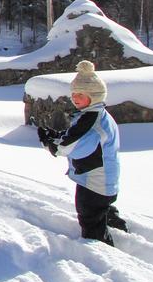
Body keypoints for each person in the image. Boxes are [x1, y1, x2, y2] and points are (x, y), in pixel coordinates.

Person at [38, 60, 128, 246]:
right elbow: (76, 138)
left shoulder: (91, 122)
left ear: (94, 96)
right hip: (105, 178)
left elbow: (68, 147)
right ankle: (120, 231)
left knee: (90, 216)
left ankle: (102, 249)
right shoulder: (97, 114)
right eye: (73, 94)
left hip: (94, 182)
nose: (75, 98)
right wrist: (58, 135)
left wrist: (48, 142)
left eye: (80, 94)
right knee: (103, 207)